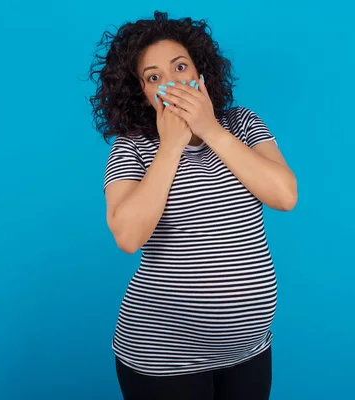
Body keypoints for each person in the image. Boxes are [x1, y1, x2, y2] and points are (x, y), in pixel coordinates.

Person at [88, 10, 298, 400]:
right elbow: (128, 236)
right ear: (143, 93)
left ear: (200, 73)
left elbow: (284, 195)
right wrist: (170, 145)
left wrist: (210, 129)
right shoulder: (132, 146)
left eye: (179, 66)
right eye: (153, 77)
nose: (171, 82)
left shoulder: (242, 124)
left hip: (248, 351)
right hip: (163, 359)